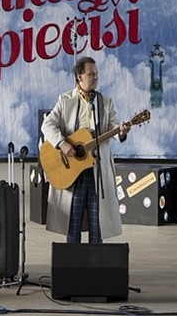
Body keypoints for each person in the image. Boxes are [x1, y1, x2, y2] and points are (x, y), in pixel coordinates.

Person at [41, 56, 130, 243]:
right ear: (79, 77)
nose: (95, 77)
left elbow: (113, 129)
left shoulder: (105, 103)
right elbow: (47, 125)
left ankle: (95, 268)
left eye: (96, 74)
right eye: (91, 74)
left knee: (98, 226)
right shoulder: (65, 101)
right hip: (73, 173)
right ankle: (72, 268)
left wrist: (121, 132)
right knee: (72, 225)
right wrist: (63, 144)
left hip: (97, 172)